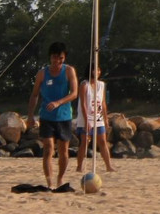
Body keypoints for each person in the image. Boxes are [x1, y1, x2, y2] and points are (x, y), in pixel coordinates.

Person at [27, 41, 79, 189]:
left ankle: (60, 179)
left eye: (60, 58)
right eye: (55, 57)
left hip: (64, 117)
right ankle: (49, 182)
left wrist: (59, 102)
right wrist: (30, 116)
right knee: (48, 148)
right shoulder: (42, 73)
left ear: (64, 58)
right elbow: (35, 95)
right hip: (46, 117)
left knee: (63, 150)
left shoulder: (69, 71)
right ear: (50, 57)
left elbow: (74, 93)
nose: (57, 61)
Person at [76, 66, 115, 174]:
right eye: (95, 70)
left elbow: (103, 102)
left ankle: (108, 166)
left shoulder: (101, 85)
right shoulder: (84, 85)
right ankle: (79, 166)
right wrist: (86, 121)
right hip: (86, 117)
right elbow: (83, 103)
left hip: (98, 117)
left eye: (98, 70)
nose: (97, 72)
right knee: (85, 142)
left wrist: (105, 118)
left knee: (102, 141)